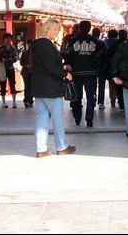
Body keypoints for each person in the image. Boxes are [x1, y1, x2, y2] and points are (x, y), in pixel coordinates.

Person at [31, 18, 76, 158]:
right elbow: (50, 67)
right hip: (51, 87)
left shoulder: (36, 44)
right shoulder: (46, 45)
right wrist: (65, 74)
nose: (56, 32)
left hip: (39, 87)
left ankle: (41, 148)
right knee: (57, 118)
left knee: (42, 117)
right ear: (47, 29)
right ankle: (62, 146)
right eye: (55, 29)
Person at [62, 19, 106, 127]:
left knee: (78, 96)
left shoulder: (73, 41)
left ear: (80, 28)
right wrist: (95, 64)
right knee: (91, 96)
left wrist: (69, 64)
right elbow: (102, 54)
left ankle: (77, 117)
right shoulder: (96, 41)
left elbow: (67, 54)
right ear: (90, 28)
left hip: (76, 73)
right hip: (91, 73)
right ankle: (89, 118)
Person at [106, 28, 128, 109]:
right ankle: (127, 103)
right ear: (126, 35)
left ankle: (120, 103)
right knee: (127, 86)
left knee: (119, 86)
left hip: (118, 68)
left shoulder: (115, 44)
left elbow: (108, 54)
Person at [0, 32, 19, 108]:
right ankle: (3, 102)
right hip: (3, 69)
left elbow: (15, 58)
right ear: (4, 40)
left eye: (9, 38)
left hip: (10, 68)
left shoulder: (13, 48)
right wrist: (8, 59)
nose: (8, 40)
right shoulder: (1, 48)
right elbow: (0, 58)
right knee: (2, 84)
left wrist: (7, 59)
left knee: (12, 84)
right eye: (6, 38)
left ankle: (14, 102)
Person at [92, 26, 108, 109]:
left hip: (91, 66)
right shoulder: (102, 43)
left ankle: (92, 101)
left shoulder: (90, 42)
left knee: (92, 85)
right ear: (99, 34)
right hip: (101, 66)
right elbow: (106, 55)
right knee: (101, 85)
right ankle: (101, 102)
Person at [20, 39, 34, 108]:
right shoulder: (24, 53)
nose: (30, 45)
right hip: (26, 72)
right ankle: (26, 101)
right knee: (27, 86)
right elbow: (21, 62)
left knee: (31, 86)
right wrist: (26, 65)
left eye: (31, 44)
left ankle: (30, 100)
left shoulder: (35, 53)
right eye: (29, 44)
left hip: (33, 72)